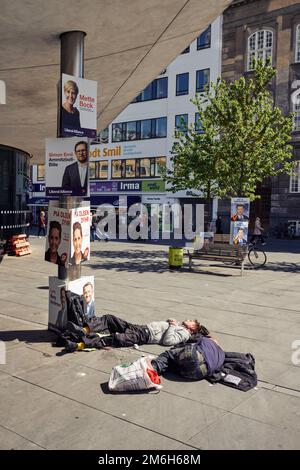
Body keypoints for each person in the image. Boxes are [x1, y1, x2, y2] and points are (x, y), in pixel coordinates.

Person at [63, 315, 208, 352]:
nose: (187, 319)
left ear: (193, 328)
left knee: (112, 339)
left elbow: (168, 341)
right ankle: (83, 330)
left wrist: (171, 325)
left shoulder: (184, 334)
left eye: (191, 321)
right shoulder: (180, 328)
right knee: (109, 319)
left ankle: (77, 345)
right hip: (139, 328)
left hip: (142, 336)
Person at [150, 334, 225, 381]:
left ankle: (152, 369)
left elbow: (189, 339)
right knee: (173, 363)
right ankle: (156, 370)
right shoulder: (222, 355)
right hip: (199, 374)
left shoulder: (206, 340)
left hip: (195, 357)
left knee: (168, 355)